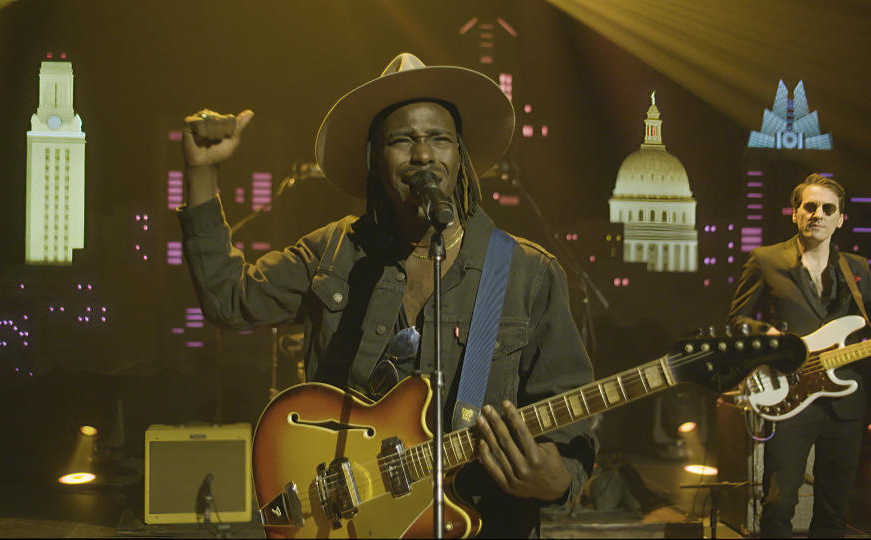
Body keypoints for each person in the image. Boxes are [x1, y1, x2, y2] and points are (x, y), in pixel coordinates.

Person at [176, 53, 596, 537]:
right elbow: (229, 300)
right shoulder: (334, 252)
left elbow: (571, 425)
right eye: (402, 140)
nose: (423, 156)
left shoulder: (528, 273)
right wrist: (202, 174)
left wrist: (554, 477)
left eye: (439, 138)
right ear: (375, 162)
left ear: (460, 156)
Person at [728, 173, 871, 538]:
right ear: (795, 213)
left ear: (841, 218)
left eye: (829, 209)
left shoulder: (856, 268)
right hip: (790, 395)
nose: (818, 214)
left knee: (833, 510)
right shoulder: (766, 259)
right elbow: (737, 320)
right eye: (810, 206)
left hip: (845, 403)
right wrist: (771, 336)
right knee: (779, 504)